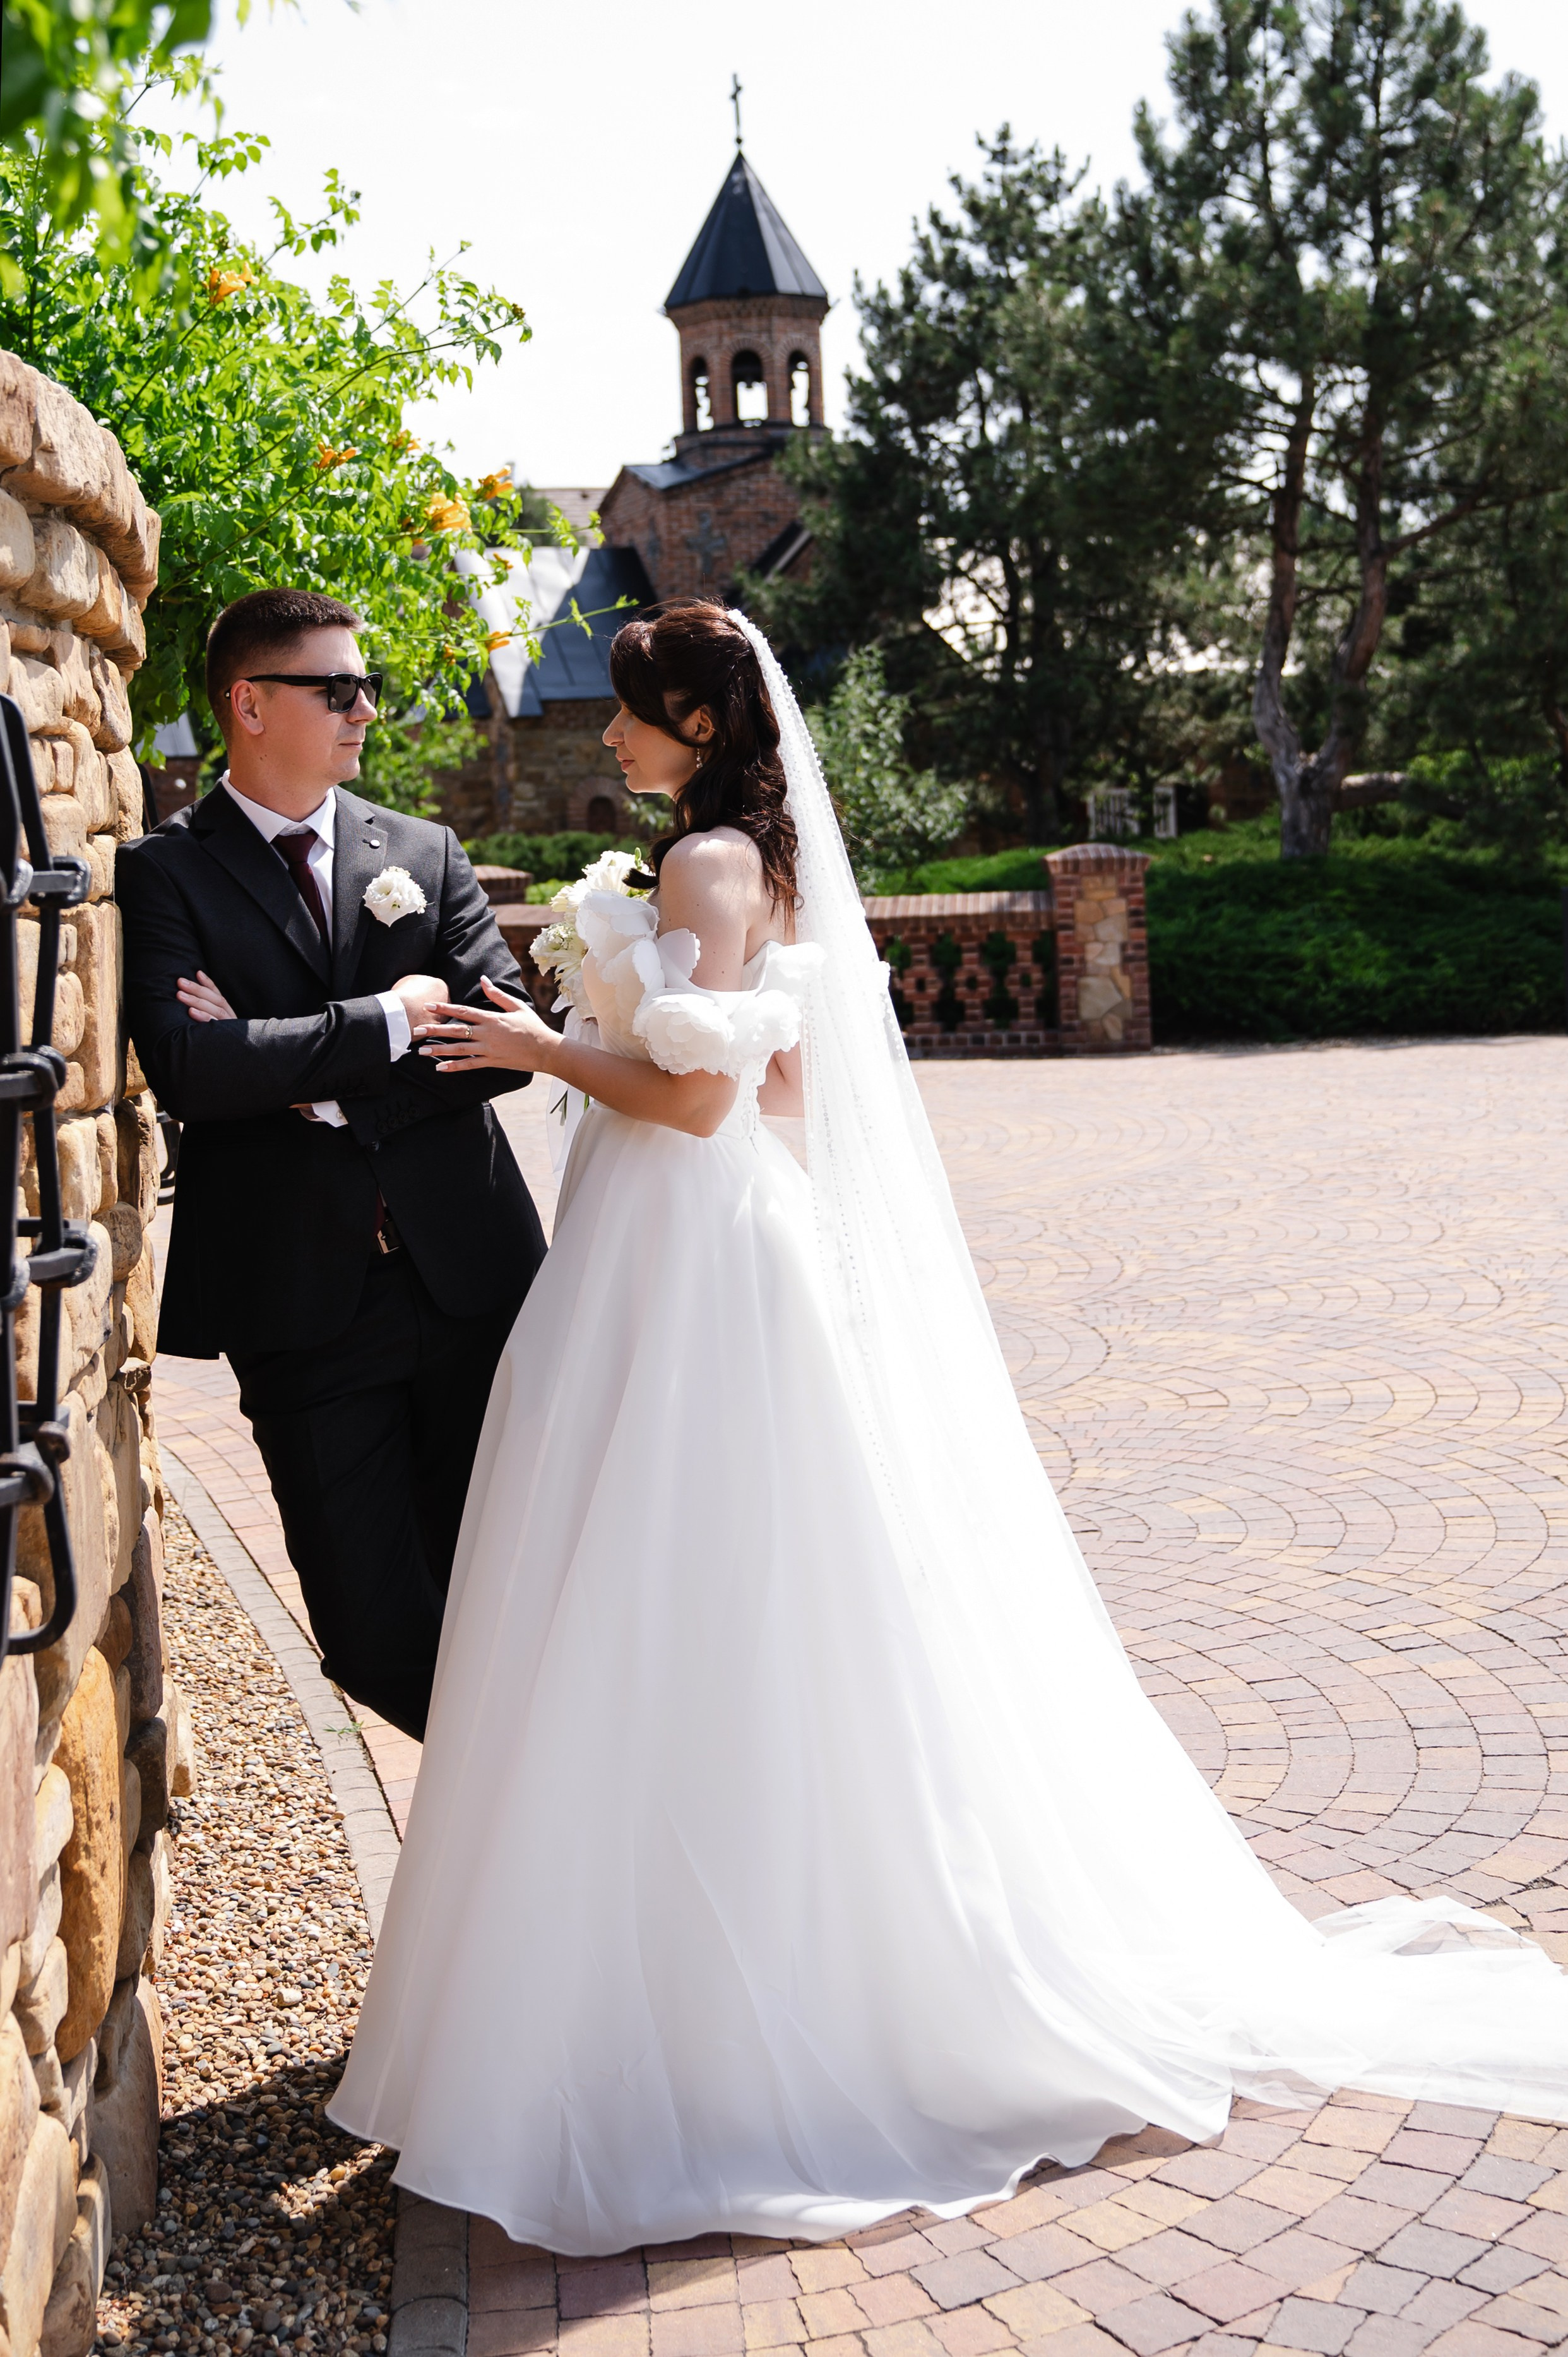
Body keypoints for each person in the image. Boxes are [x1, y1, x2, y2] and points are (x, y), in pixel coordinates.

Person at [330, 600, 1568, 2254]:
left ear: (696, 723)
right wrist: (610, 1009)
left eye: (629, 711)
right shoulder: (751, 866)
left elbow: (700, 1099)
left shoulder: (705, 863)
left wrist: (541, 1039)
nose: (607, 734)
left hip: (681, 1255)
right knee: (741, 1588)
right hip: (710, 1242)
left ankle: (675, 2027)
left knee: (663, 1581)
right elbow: (778, 1089)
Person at [118, 588, 546, 1739]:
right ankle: (513, 1794)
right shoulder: (164, 873)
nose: (368, 709)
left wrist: (300, 1074)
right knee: (372, 1632)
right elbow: (192, 1069)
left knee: (517, 1596)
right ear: (250, 703)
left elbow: (506, 1046)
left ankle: (522, 1837)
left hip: (474, 1281)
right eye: (339, 688)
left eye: (370, 687)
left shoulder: (423, 852)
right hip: (303, 1306)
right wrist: (390, 1018)